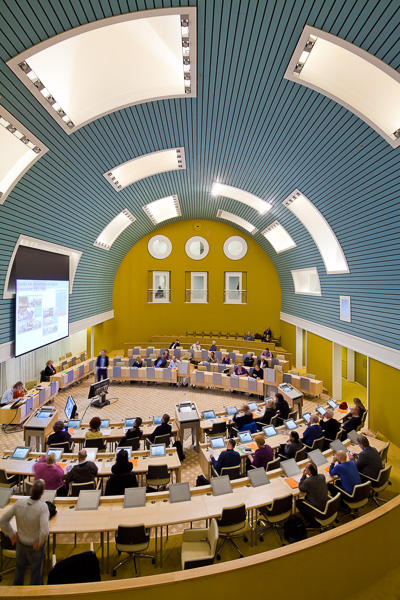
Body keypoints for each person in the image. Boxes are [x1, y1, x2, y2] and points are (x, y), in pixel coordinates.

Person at [0, 479, 49, 585]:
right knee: (36, 575)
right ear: (42, 493)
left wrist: (11, 534)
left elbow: (2, 521)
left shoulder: (19, 503)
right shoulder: (43, 507)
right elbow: (45, 532)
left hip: (21, 544)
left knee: (19, 572)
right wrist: (39, 542)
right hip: (35, 547)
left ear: (30, 490)